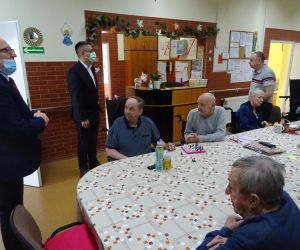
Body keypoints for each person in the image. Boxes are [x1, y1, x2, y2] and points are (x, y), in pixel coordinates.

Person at [0, 38, 49, 249]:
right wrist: (40, 121)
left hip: (9, 164)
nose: (14, 54)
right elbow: (16, 129)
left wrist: (31, 115)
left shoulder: (5, 81)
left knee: (13, 208)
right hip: (6, 165)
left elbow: (11, 116)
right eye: (7, 50)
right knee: (10, 213)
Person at [196, 156, 300, 250]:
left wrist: (226, 230)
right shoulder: (281, 195)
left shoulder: (252, 236)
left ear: (253, 200)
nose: (226, 191)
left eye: (231, 187)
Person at [67, 41, 100, 176]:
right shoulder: (74, 71)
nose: (93, 53)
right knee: (83, 142)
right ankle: (83, 167)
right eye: (90, 51)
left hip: (94, 112)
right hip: (83, 116)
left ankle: (93, 162)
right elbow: (76, 97)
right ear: (82, 53)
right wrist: (82, 118)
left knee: (93, 139)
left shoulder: (91, 68)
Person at [105, 96, 175, 160]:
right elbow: (109, 150)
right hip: (126, 163)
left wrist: (166, 145)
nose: (127, 112)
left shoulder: (148, 122)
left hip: (146, 162)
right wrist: (126, 159)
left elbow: (157, 141)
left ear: (140, 111)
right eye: (126, 108)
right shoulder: (117, 124)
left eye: (131, 109)